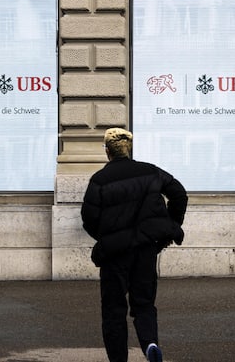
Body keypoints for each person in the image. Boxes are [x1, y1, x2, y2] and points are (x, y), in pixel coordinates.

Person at [81, 128, 188, 362]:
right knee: (144, 304)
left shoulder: (99, 180)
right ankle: (150, 344)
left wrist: (107, 236)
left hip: (114, 253)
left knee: (113, 309)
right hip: (146, 249)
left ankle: (119, 359)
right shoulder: (150, 172)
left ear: (107, 151)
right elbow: (179, 194)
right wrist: (169, 224)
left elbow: (89, 220)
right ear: (128, 149)